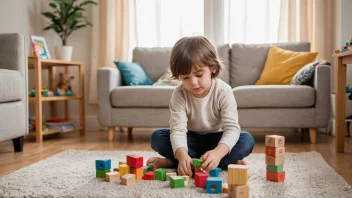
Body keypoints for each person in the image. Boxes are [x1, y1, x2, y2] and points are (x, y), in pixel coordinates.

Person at [147, 36, 255, 176]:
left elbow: (231, 129)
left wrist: (217, 153)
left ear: (212, 68)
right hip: (190, 139)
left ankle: (178, 162)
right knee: (157, 137)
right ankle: (217, 162)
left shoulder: (224, 91)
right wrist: (182, 155)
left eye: (198, 75)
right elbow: (178, 130)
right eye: (185, 78)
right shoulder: (179, 94)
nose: (193, 83)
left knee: (246, 140)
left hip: (216, 139)